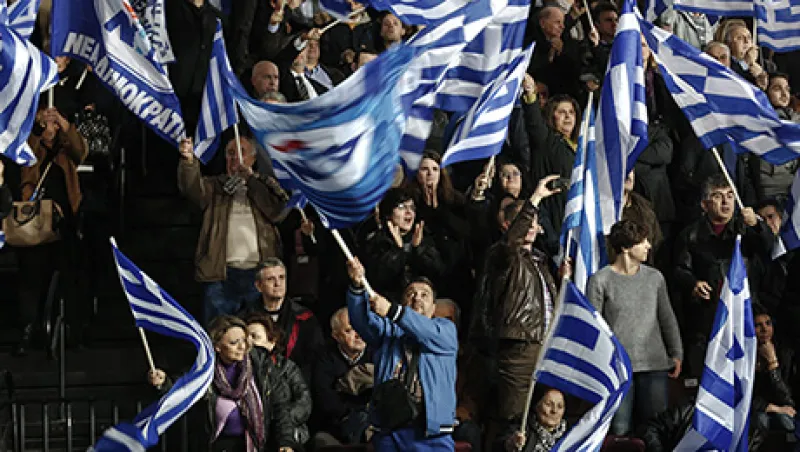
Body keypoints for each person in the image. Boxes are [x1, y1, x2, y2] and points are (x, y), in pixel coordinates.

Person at [471, 175, 562, 429]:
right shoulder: (502, 255)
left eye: (534, 221)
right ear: (508, 225)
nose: (532, 226)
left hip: (545, 345)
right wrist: (535, 198)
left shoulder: (540, 261)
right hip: (519, 348)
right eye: (525, 220)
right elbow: (513, 241)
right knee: (514, 420)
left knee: (543, 419)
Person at [346, 257, 459, 451]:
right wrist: (357, 287)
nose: (417, 298)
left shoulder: (445, 331)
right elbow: (362, 321)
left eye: (425, 295)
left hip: (431, 432)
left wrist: (392, 310)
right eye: (411, 294)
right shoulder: (388, 331)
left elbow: (425, 331)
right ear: (403, 301)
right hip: (390, 429)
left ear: (434, 308)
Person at [587, 219, 683, 435]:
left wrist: (676, 352)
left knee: (657, 428)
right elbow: (594, 328)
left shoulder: (655, 278)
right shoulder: (600, 280)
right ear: (625, 247)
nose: (649, 246)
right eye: (643, 241)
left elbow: (667, 317)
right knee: (620, 431)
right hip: (618, 368)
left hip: (654, 365)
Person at [177, 137, 288, 324]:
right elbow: (193, 190)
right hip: (221, 275)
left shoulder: (265, 185)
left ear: (253, 159)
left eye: (241, 153)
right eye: (230, 153)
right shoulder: (216, 187)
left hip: (259, 275)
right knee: (219, 332)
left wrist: (251, 181)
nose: (234, 158)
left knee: (259, 330)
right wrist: (188, 161)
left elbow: (277, 212)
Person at [146, 315, 297, 452]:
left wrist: (285, 442)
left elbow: (280, 406)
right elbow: (182, 388)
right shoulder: (204, 368)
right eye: (234, 343)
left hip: (258, 445)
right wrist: (164, 382)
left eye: (244, 340)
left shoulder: (262, 364)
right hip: (218, 446)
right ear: (217, 346)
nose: (242, 347)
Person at [673, 175, 773, 376]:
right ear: (704, 204)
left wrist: (757, 226)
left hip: (744, 314)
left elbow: (770, 250)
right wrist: (693, 284)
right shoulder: (690, 234)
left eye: (730, 196)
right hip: (708, 318)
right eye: (718, 196)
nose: (726, 202)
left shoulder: (746, 229)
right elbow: (678, 269)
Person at [15, 105, 88, 356]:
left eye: (54, 124)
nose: (51, 128)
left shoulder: (65, 151)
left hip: (63, 223)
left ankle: (67, 331)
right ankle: (28, 329)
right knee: (31, 277)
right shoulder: (33, 146)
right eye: (48, 122)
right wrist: (36, 128)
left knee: (67, 275)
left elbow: (82, 152)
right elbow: (23, 159)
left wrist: (66, 126)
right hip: (34, 221)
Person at [240, 258, 325, 380]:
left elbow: (315, 359)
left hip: (296, 382)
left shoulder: (304, 318)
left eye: (282, 278)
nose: (278, 284)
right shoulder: (245, 318)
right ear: (259, 286)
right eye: (271, 279)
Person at [359, 187, 445, 302]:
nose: (409, 212)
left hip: (421, 302)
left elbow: (438, 272)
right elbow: (380, 279)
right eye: (401, 207)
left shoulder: (421, 237)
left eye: (412, 208)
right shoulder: (376, 241)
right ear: (388, 214)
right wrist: (397, 250)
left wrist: (417, 249)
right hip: (388, 303)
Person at [243, 312, 313, 446]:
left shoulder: (288, 368)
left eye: (255, 337)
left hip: (289, 430)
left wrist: (280, 421)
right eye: (245, 338)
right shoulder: (242, 370)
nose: (249, 342)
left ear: (271, 342)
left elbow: (304, 401)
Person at [311, 307, 373, 448]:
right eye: (349, 330)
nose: (358, 335)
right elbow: (325, 399)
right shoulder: (323, 357)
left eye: (361, 327)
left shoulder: (377, 354)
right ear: (336, 336)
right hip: (337, 426)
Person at [752, 307, 797, 432]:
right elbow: (741, 395)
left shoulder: (785, 353)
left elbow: (787, 399)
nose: (764, 329)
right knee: (761, 420)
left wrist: (773, 364)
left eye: (768, 323)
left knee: (787, 422)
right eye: (758, 325)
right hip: (755, 410)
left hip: (781, 409)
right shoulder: (743, 356)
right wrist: (770, 407)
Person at [501, 387, 568, 452]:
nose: (554, 410)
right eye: (548, 404)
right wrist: (510, 445)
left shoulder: (570, 436)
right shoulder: (521, 427)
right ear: (536, 406)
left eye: (560, 406)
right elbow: (500, 445)